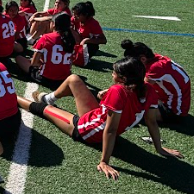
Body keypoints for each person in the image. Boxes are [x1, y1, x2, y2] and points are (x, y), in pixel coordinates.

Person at [18, 58, 183, 180]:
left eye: (114, 72)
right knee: (74, 79)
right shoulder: (148, 90)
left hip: (86, 130)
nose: (112, 74)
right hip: (98, 118)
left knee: (45, 111)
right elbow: (151, 122)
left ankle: (13, 98)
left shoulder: (118, 91)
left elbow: (110, 130)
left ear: (123, 79)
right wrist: (159, 148)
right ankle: (48, 97)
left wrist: (104, 161)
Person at [121, 39, 191, 121]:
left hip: (173, 111)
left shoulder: (155, 68)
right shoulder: (156, 59)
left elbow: (140, 89)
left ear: (143, 59)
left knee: (128, 108)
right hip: (173, 102)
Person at [16, 13, 76, 89]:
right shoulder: (71, 39)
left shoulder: (46, 38)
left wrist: (41, 62)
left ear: (53, 24)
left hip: (46, 78)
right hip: (63, 79)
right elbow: (70, 64)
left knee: (19, 58)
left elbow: (34, 63)